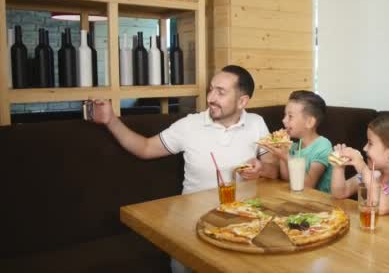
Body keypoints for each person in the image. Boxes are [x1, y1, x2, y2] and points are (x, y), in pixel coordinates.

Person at [89, 65, 277, 273]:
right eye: (211, 90)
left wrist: (261, 170)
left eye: (220, 92)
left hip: (244, 223)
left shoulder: (256, 123)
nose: (211, 98)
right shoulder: (189, 125)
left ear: (243, 101)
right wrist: (111, 120)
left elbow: (272, 169)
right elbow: (145, 148)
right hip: (194, 224)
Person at [330, 115, 389, 215]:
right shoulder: (374, 173)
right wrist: (338, 166)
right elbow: (340, 193)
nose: (364, 148)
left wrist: (362, 168)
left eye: (370, 143)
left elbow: (381, 207)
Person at [259, 90, 333, 193]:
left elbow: (308, 185)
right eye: (285, 115)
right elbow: (286, 179)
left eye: (290, 116)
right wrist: (282, 155)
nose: (284, 120)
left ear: (309, 122)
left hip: (321, 203)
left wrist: (286, 156)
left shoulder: (323, 145)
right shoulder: (293, 146)